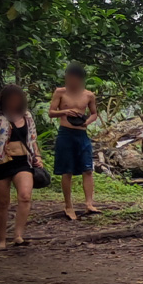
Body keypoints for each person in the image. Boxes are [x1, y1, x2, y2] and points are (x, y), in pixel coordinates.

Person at [0, 85, 44, 250]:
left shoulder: (27, 116)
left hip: (22, 161)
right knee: (2, 203)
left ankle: (18, 235)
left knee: (25, 196)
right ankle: (1, 240)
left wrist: (37, 157)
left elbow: (32, 139)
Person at [49, 63, 99, 219]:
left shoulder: (88, 95)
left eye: (75, 79)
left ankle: (89, 203)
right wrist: (65, 111)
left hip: (81, 134)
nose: (71, 81)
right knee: (67, 171)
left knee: (88, 169)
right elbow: (51, 112)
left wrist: (87, 122)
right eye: (69, 78)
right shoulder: (60, 92)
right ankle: (68, 205)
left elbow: (94, 113)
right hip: (65, 134)